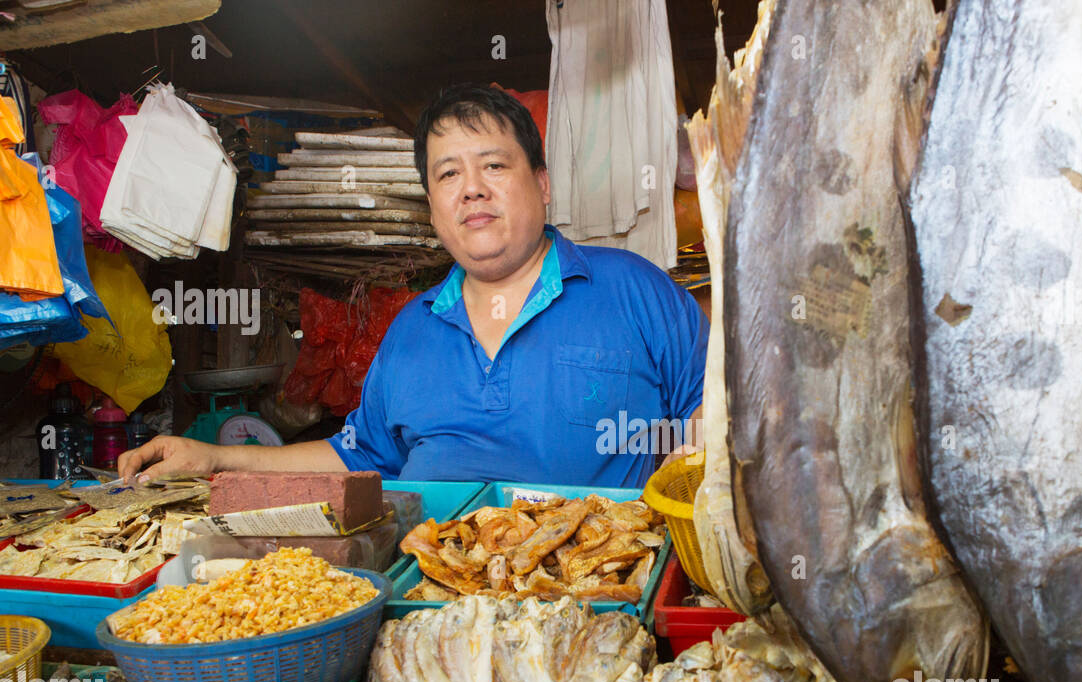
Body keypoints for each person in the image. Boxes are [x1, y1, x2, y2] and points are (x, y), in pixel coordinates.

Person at [117, 83, 706, 488]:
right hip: (434, 611)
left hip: (600, 599)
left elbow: (720, 411)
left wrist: (682, 487)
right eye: (449, 173)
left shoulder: (636, 292)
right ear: (433, 205)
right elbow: (360, 456)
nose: (471, 188)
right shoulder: (412, 330)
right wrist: (214, 457)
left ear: (543, 183)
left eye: (494, 165)